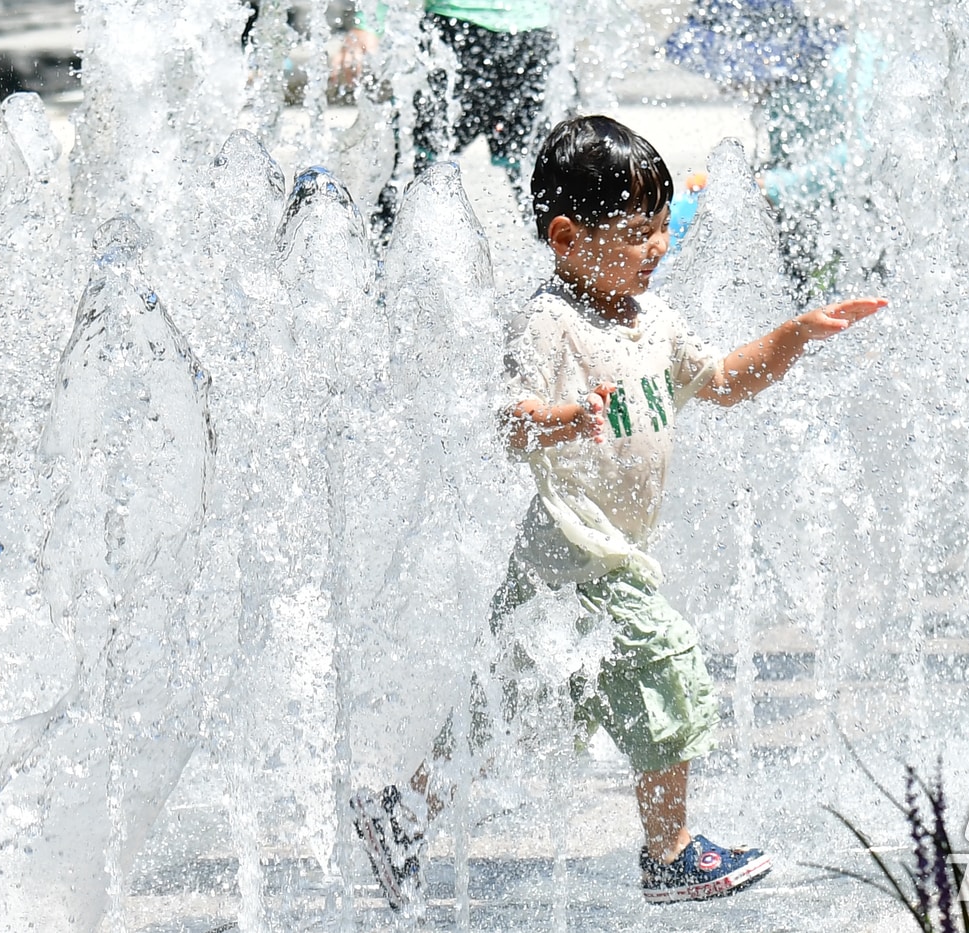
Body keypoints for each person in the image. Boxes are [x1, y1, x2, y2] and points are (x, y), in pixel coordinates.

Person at [351, 114, 885, 907]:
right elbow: (508, 419)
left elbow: (727, 379)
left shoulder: (653, 320)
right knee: (667, 659)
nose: (658, 248)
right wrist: (566, 418)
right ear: (566, 236)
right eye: (637, 232)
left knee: (507, 703)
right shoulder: (549, 321)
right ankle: (667, 852)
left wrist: (793, 335)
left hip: (573, 557)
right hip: (580, 548)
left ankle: (399, 820)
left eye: (662, 228)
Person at [665, 0, 891, 296]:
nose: (723, 84)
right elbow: (787, 159)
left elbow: (863, 153)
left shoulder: (849, 64)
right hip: (819, 216)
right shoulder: (784, 81)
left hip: (872, 220)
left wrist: (770, 186)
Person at [330, 0, 556, 233]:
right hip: (457, 30)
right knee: (413, 169)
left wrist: (368, 23)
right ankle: (390, 255)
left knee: (545, 175)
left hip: (527, 33)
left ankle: (562, 258)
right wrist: (367, 23)